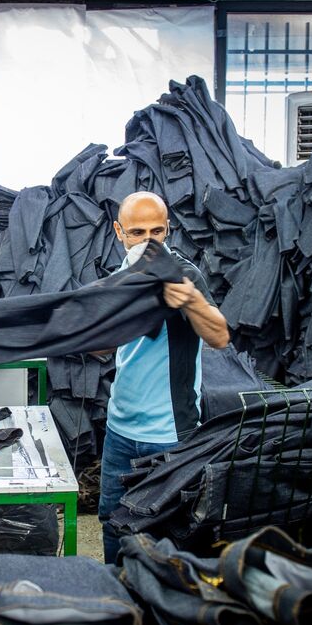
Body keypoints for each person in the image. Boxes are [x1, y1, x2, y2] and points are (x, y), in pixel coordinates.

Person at [98, 192, 229, 563]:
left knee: (172, 533)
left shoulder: (185, 275)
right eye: (138, 232)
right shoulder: (119, 280)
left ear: (168, 228)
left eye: (157, 230)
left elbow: (219, 337)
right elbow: (100, 349)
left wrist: (190, 300)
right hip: (120, 432)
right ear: (119, 232)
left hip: (171, 435)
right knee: (113, 522)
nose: (149, 241)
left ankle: (169, 608)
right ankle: (118, 593)